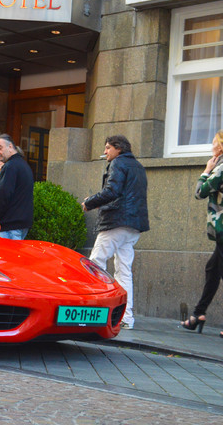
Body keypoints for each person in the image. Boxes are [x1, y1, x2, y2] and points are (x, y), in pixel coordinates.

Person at [82, 135, 149, 330]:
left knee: (95, 263)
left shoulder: (118, 163)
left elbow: (112, 191)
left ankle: (95, 311)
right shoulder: (138, 166)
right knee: (124, 271)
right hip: (134, 226)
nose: (105, 152)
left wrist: (89, 202)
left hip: (116, 222)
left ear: (118, 148)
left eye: (108, 148)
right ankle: (126, 318)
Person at [182, 128, 223, 338]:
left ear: (221, 146)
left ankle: (197, 315)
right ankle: (198, 315)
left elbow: (200, 192)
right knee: (212, 269)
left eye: (214, 143)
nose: (211, 146)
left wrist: (206, 170)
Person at [0, 133, 34, 240]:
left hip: (9, 226)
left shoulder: (10, 167)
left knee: (5, 256)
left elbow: (3, 195)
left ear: (10, 146)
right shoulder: (24, 166)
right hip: (20, 225)